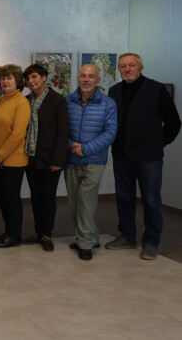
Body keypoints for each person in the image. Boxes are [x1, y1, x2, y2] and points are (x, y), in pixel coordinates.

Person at [106, 53, 180, 260]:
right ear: (119, 69)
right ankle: (127, 236)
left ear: (140, 67)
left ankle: (151, 242)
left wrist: (158, 143)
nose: (127, 69)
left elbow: (174, 123)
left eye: (131, 65)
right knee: (124, 197)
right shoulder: (114, 90)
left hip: (149, 157)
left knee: (151, 199)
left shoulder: (156, 89)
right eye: (123, 66)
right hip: (121, 155)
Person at [65, 64, 117, 261]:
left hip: (95, 160)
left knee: (86, 201)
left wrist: (85, 149)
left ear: (98, 80)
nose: (86, 80)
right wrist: (71, 146)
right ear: (78, 78)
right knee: (74, 203)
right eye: (83, 76)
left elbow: (110, 133)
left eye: (91, 76)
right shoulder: (67, 101)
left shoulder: (108, 103)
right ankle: (91, 236)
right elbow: (59, 129)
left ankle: (85, 243)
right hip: (71, 159)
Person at [22, 64, 69, 252]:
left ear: (44, 77)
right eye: (28, 78)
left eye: (34, 77)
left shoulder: (57, 100)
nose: (30, 81)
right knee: (35, 197)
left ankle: (47, 234)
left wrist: (58, 161)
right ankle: (37, 231)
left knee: (48, 197)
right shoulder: (26, 100)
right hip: (31, 156)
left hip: (50, 158)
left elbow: (63, 132)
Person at [0, 64, 30, 248]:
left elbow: (18, 134)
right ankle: (9, 230)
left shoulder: (22, 102)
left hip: (14, 159)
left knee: (11, 197)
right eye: (3, 78)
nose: (5, 81)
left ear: (17, 81)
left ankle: (14, 235)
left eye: (9, 78)